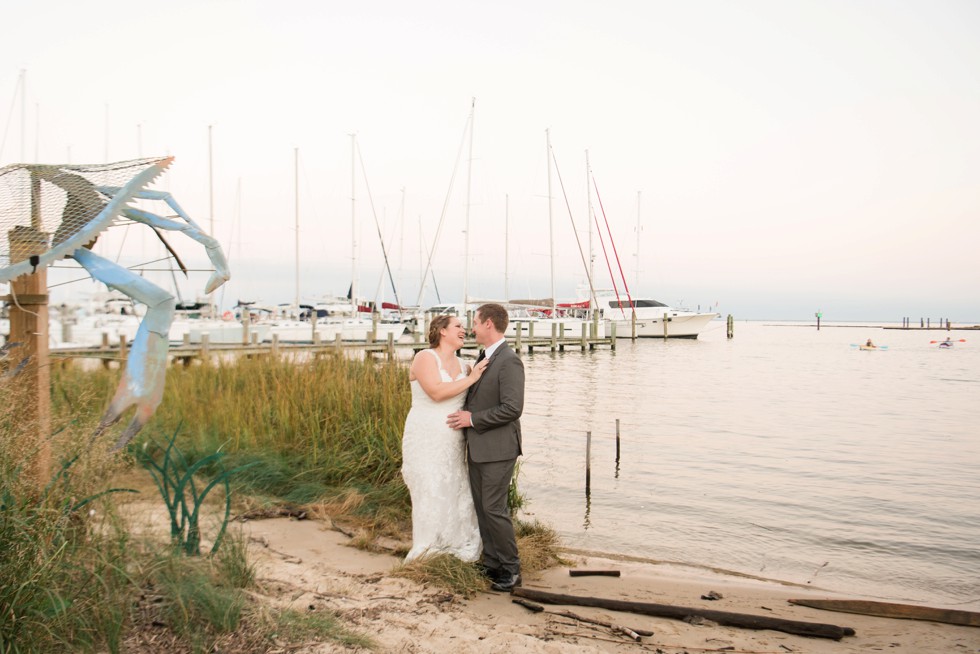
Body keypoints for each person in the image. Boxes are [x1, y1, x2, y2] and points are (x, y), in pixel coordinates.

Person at [447, 303, 525, 592]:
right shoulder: (486, 357)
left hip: (499, 449)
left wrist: (472, 419)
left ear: (489, 324)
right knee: (482, 508)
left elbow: (512, 408)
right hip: (479, 447)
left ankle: (512, 569)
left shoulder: (509, 360)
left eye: (476, 322)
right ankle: (492, 562)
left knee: (494, 508)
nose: (472, 327)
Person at [401, 315, 488, 562]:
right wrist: (471, 380)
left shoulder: (465, 365)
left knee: (452, 487)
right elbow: (437, 393)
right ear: (441, 331)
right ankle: (428, 545)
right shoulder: (425, 358)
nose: (464, 330)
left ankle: (453, 541)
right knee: (429, 487)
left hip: (452, 440)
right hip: (425, 436)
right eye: (458, 326)